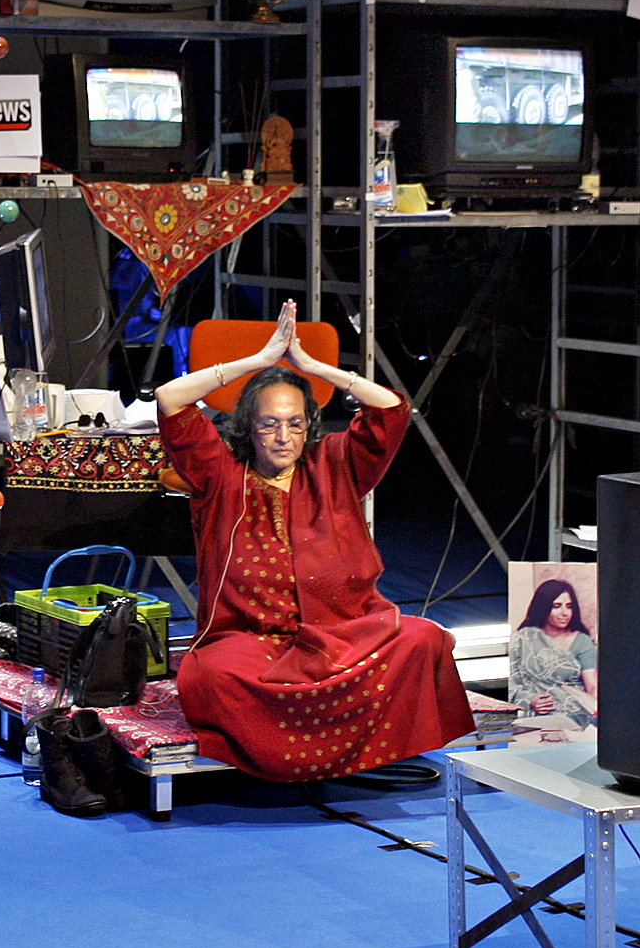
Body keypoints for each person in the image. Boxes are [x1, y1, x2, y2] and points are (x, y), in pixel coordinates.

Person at [154, 301, 472, 783]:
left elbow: (391, 409)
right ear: (248, 427)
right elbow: (170, 398)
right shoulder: (219, 474)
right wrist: (258, 362)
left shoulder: (337, 464)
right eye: (269, 423)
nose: (283, 436)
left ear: (310, 426)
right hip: (252, 643)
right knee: (212, 676)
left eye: (295, 423)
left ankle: (333, 744)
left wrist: (317, 369)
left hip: (343, 636)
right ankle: (305, 752)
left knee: (422, 638)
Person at [507, 577, 598, 740]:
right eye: (557, 606)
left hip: (574, 718)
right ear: (543, 607)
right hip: (532, 720)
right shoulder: (524, 639)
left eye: (569, 606)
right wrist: (531, 700)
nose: (565, 613)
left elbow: (592, 686)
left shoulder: (582, 641)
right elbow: (514, 684)